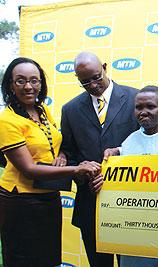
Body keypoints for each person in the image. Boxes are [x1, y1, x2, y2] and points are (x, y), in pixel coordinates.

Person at [0, 57, 100, 267]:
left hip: (48, 197)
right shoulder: (6, 120)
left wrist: (62, 156)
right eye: (20, 81)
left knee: (49, 259)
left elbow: (53, 141)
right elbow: (29, 169)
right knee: (24, 260)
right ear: (10, 84)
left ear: (41, 84)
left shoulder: (42, 110)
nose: (28, 86)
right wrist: (76, 169)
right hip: (21, 202)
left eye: (34, 81)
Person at [61, 52, 140, 267]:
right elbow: (69, 154)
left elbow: (146, 147)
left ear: (105, 67)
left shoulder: (137, 99)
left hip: (131, 205)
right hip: (90, 204)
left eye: (96, 77)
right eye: (85, 82)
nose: (93, 85)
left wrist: (115, 172)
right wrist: (82, 172)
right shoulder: (69, 110)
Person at [96, 85, 158, 267]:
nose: (143, 112)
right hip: (134, 230)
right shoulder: (128, 143)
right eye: (138, 107)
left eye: (150, 107)